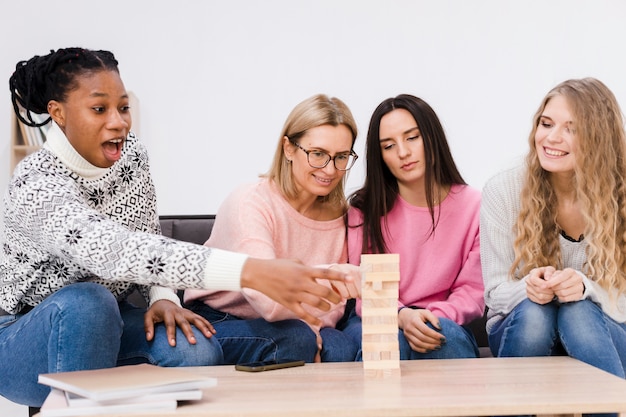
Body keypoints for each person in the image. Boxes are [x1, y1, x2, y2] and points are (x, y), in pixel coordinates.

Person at [0, 47, 353, 408]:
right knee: (88, 300)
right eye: (99, 108)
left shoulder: (130, 156)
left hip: (113, 320)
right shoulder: (36, 184)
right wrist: (251, 271)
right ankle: (72, 407)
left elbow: (145, 235)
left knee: (194, 353)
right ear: (58, 113)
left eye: (123, 107)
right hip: (22, 336)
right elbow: (112, 249)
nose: (119, 121)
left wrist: (163, 297)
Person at [185, 94, 361, 363]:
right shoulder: (250, 202)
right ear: (289, 148)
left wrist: (315, 328)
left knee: (340, 346)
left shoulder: (342, 218)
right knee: (296, 338)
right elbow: (270, 302)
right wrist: (334, 277)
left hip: (298, 322)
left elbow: (332, 307)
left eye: (341, 157)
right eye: (318, 154)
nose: (330, 169)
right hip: (221, 318)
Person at [481, 78, 626, 379]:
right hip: (521, 329)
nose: (552, 138)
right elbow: (494, 294)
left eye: (571, 129)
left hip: (607, 330)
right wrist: (530, 287)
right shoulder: (503, 189)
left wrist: (586, 288)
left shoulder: (620, 194)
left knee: (579, 311)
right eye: (546, 124)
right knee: (536, 313)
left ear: (599, 139)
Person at [343, 94, 484, 360]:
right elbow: (367, 290)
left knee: (445, 338)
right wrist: (402, 316)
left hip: (445, 319)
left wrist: (428, 318)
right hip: (378, 317)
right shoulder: (364, 210)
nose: (403, 153)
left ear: (431, 137)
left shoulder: (474, 206)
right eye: (388, 146)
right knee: (390, 339)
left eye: (412, 137)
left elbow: (472, 292)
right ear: (380, 156)